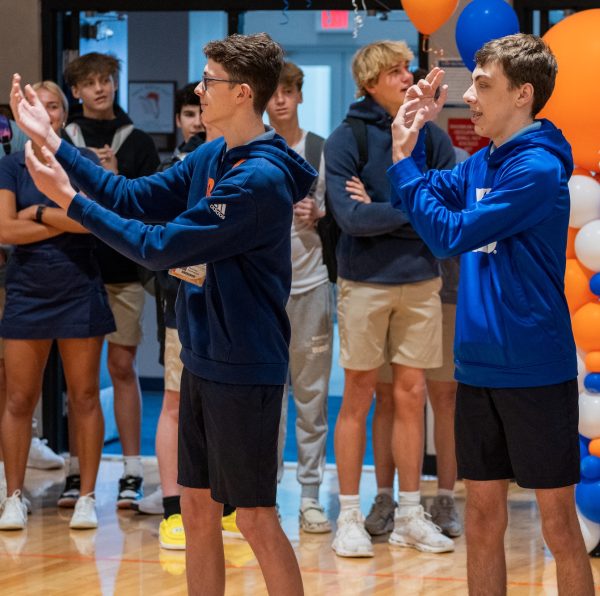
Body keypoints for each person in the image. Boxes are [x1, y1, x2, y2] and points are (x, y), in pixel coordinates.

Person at [12, 32, 313, 595]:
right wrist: (53, 140)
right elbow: (129, 197)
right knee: (195, 507)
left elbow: (158, 245)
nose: (199, 88)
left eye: (211, 81)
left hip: (244, 366)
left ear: (243, 93)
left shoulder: (259, 178)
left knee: (252, 517)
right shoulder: (212, 155)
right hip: (203, 356)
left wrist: (71, 201)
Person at [387, 34, 594, 595]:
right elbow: (427, 191)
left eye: (483, 85)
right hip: (477, 369)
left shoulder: (538, 168)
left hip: (533, 370)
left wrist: (405, 164)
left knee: (558, 525)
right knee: (480, 517)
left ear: (523, 94)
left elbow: (448, 231)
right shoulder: (483, 162)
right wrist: (409, 140)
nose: (470, 97)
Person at [324, 39, 454, 557]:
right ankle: (349, 516)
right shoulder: (345, 138)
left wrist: (388, 208)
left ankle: (409, 513)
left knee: (412, 395)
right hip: (363, 282)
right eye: (397, 71)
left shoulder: (433, 138)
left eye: (408, 69)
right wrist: (413, 209)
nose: (408, 77)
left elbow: (447, 211)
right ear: (371, 82)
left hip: (421, 280)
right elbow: (350, 220)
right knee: (357, 395)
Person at [0, 80, 115, 531]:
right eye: (34, 104)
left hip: (79, 287)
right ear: (23, 113)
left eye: (52, 105)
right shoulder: (10, 165)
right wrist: (64, 220)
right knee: (17, 398)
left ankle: (85, 496)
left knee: (84, 395)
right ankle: (13, 494)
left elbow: (94, 224)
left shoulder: (83, 161)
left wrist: (40, 215)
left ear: (63, 117)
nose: (43, 111)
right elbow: (5, 231)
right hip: (27, 290)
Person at [136, 82, 241, 548]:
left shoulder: (243, 163)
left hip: (234, 305)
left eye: (202, 108)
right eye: (189, 111)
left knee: (228, 406)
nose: (198, 118)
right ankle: (174, 510)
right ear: (180, 120)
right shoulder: (177, 170)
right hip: (185, 301)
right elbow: (160, 237)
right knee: (177, 402)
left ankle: (232, 506)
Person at [60, 52, 160, 510]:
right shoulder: (63, 139)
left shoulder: (137, 141)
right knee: (77, 380)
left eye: (107, 80)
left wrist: (117, 180)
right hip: (74, 268)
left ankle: (132, 469)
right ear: (76, 91)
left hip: (123, 272)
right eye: (91, 82)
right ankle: (75, 467)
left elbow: (152, 208)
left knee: (122, 367)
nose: (100, 89)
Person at [266, 61, 333, 534]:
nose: (281, 100)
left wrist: (320, 210)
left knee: (311, 401)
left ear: (299, 96)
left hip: (311, 285)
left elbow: (336, 209)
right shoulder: (254, 149)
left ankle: (310, 496)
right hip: (264, 291)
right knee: (268, 398)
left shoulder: (320, 149)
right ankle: (263, 495)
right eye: (274, 92)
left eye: (289, 91)